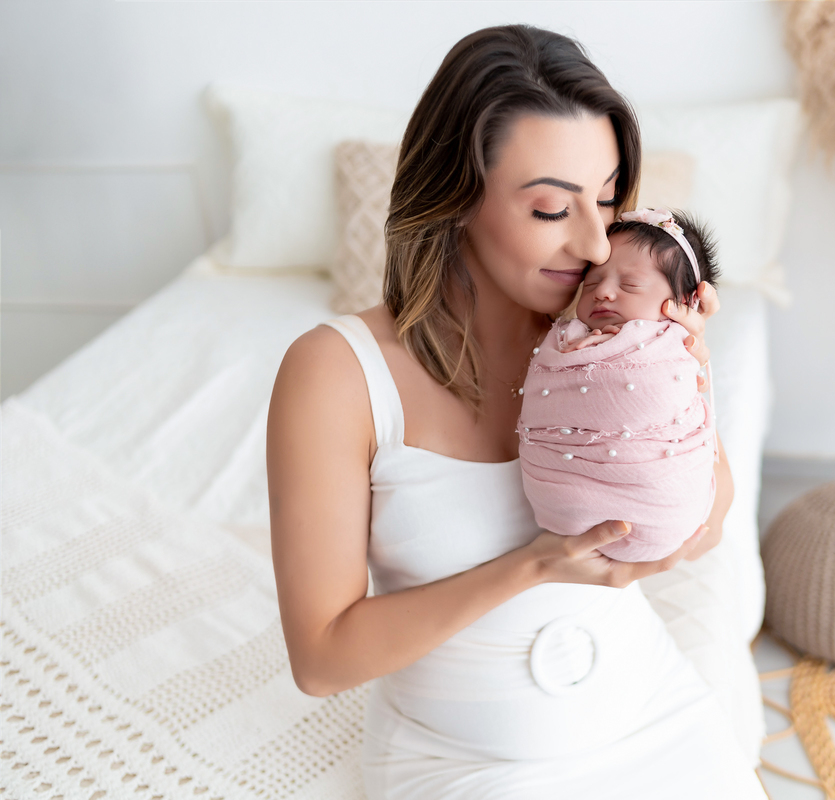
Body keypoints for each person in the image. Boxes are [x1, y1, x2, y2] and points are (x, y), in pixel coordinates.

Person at [265, 23, 767, 800]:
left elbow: (705, 525)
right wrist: (533, 566)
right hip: (463, 761)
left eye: (608, 200)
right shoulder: (336, 373)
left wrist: (681, 371)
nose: (596, 244)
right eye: (551, 209)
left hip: (653, 710)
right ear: (455, 198)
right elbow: (322, 659)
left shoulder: (610, 337)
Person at [518, 208, 724, 562]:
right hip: (561, 508)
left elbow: (710, 533)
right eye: (591, 283)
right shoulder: (564, 341)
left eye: (629, 285)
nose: (602, 293)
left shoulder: (674, 347)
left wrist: (681, 353)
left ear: (683, 304)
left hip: (664, 514)